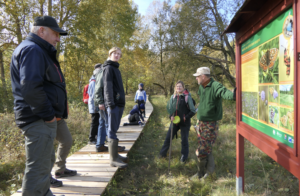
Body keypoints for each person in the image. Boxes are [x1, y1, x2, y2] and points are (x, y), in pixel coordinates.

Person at [10, 15, 76, 195]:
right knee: (38, 168)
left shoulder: (36, 50)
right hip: (38, 119)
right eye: (55, 34)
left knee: (45, 163)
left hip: (41, 118)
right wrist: (48, 116)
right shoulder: (33, 50)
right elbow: (31, 88)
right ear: (41, 31)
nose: (57, 39)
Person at [190, 67, 236, 180]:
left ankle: (203, 173)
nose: (196, 78)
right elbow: (203, 100)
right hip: (200, 123)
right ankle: (205, 173)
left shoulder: (216, 86)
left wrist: (233, 94)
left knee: (202, 150)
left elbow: (225, 93)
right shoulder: (201, 87)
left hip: (210, 124)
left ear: (204, 76)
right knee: (206, 147)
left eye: (198, 76)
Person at [101, 47, 128, 168]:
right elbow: (107, 87)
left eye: (119, 54)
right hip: (114, 104)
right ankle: (113, 159)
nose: (117, 55)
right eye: (115, 53)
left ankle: (116, 154)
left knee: (114, 129)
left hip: (119, 104)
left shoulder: (116, 68)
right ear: (110, 54)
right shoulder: (108, 68)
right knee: (111, 130)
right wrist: (110, 104)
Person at [159, 81, 196, 163]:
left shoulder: (187, 97)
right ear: (175, 88)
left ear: (183, 87)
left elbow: (193, 111)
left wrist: (185, 118)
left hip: (184, 123)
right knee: (168, 138)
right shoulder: (173, 97)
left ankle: (184, 157)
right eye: (177, 86)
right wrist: (170, 116)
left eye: (180, 86)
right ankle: (162, 154)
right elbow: (170, 109)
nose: (178, 88)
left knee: (184, 140)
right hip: (174, 122)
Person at [94, 63, 125, 153]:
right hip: (103, 103)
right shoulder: (103, 71)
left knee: (102, 123)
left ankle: (100, 145)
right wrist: (100, 102)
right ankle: (113, 147)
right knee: (108, 124)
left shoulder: (104, 70)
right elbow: (98, 88)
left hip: (103, 102)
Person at [87, 64, 101, 145]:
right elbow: (92, 95)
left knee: (97, 122)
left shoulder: (95, 80)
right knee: (94, 122)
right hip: (94, 106)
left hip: (96, 105)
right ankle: (91, 139)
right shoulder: (93, 82)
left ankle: (95, 137)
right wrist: (96, 106)